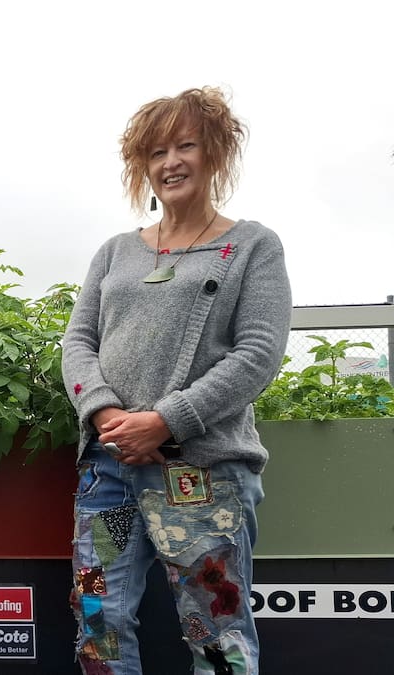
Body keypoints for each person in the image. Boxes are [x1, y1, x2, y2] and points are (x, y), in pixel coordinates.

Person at [62, 87, 292, 674]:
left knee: (214, 627)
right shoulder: (115, 252)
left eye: (186, 145)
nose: (171, 162)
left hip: (201, 470)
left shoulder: (251, 246)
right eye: (157, 151)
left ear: (215, 154)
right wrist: (107, 414)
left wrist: (166, 421)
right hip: (107, 472)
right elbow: (78, 342)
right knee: (96, 616)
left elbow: (258, 354)